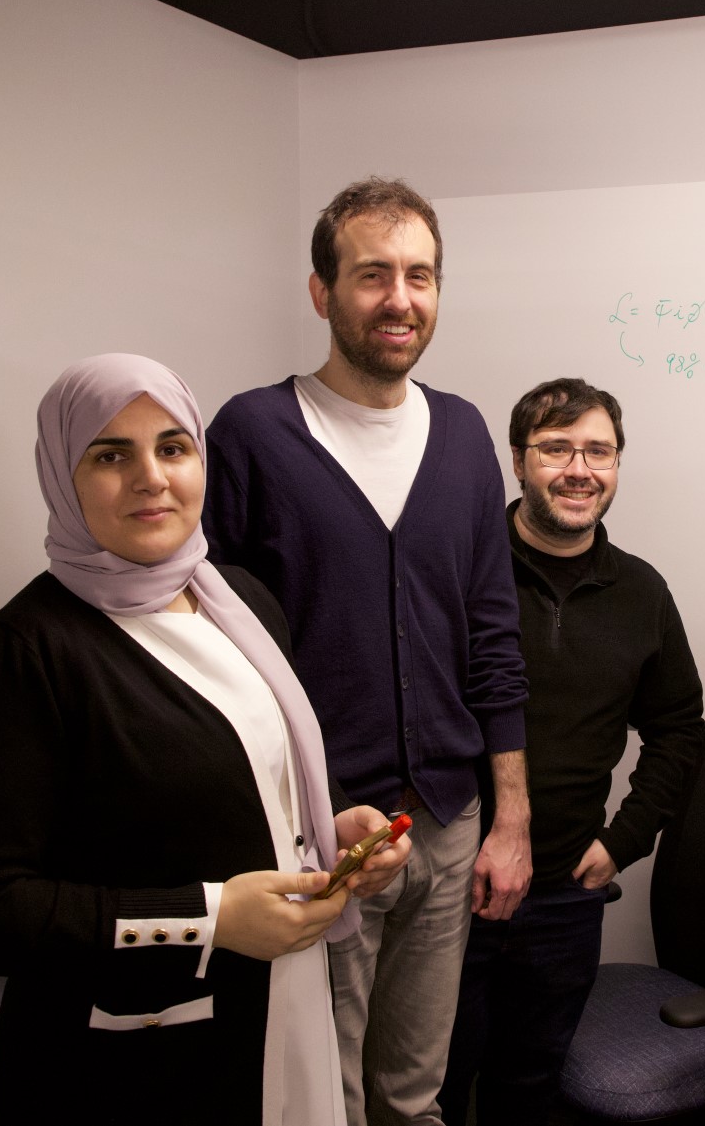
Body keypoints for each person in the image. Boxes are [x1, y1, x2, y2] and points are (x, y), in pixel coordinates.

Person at [0, 353, 410, 1125]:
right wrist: (207, 917)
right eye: (112, 455)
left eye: (173, 447)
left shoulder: (236, 597)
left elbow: (261, 760)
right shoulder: (22, 656)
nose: (152, 476)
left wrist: (338, 820)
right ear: (61, 475)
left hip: (283, 1006)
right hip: (132, 1066)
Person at [204, 179, 532, 1126]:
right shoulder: (254, 434)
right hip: (323, 828)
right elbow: (223, 652)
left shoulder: (466, 433)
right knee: (327, 1097)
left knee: (414, 1095)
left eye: (420, 275)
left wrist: (509, 818)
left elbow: (495, 637)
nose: (400, 298)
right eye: (373, 274)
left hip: (446, 817)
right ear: (322, 291)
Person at [440, 378, 705, 1125]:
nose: (579, 468)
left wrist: (623, 840)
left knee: (530, 1084)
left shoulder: (642, 592)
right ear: (519, 461)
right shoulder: (459, 568)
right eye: (556, 449)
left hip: (563, 894)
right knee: (430, 1080)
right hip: (450, 883)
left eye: (599, 450)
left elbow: (681, 728)